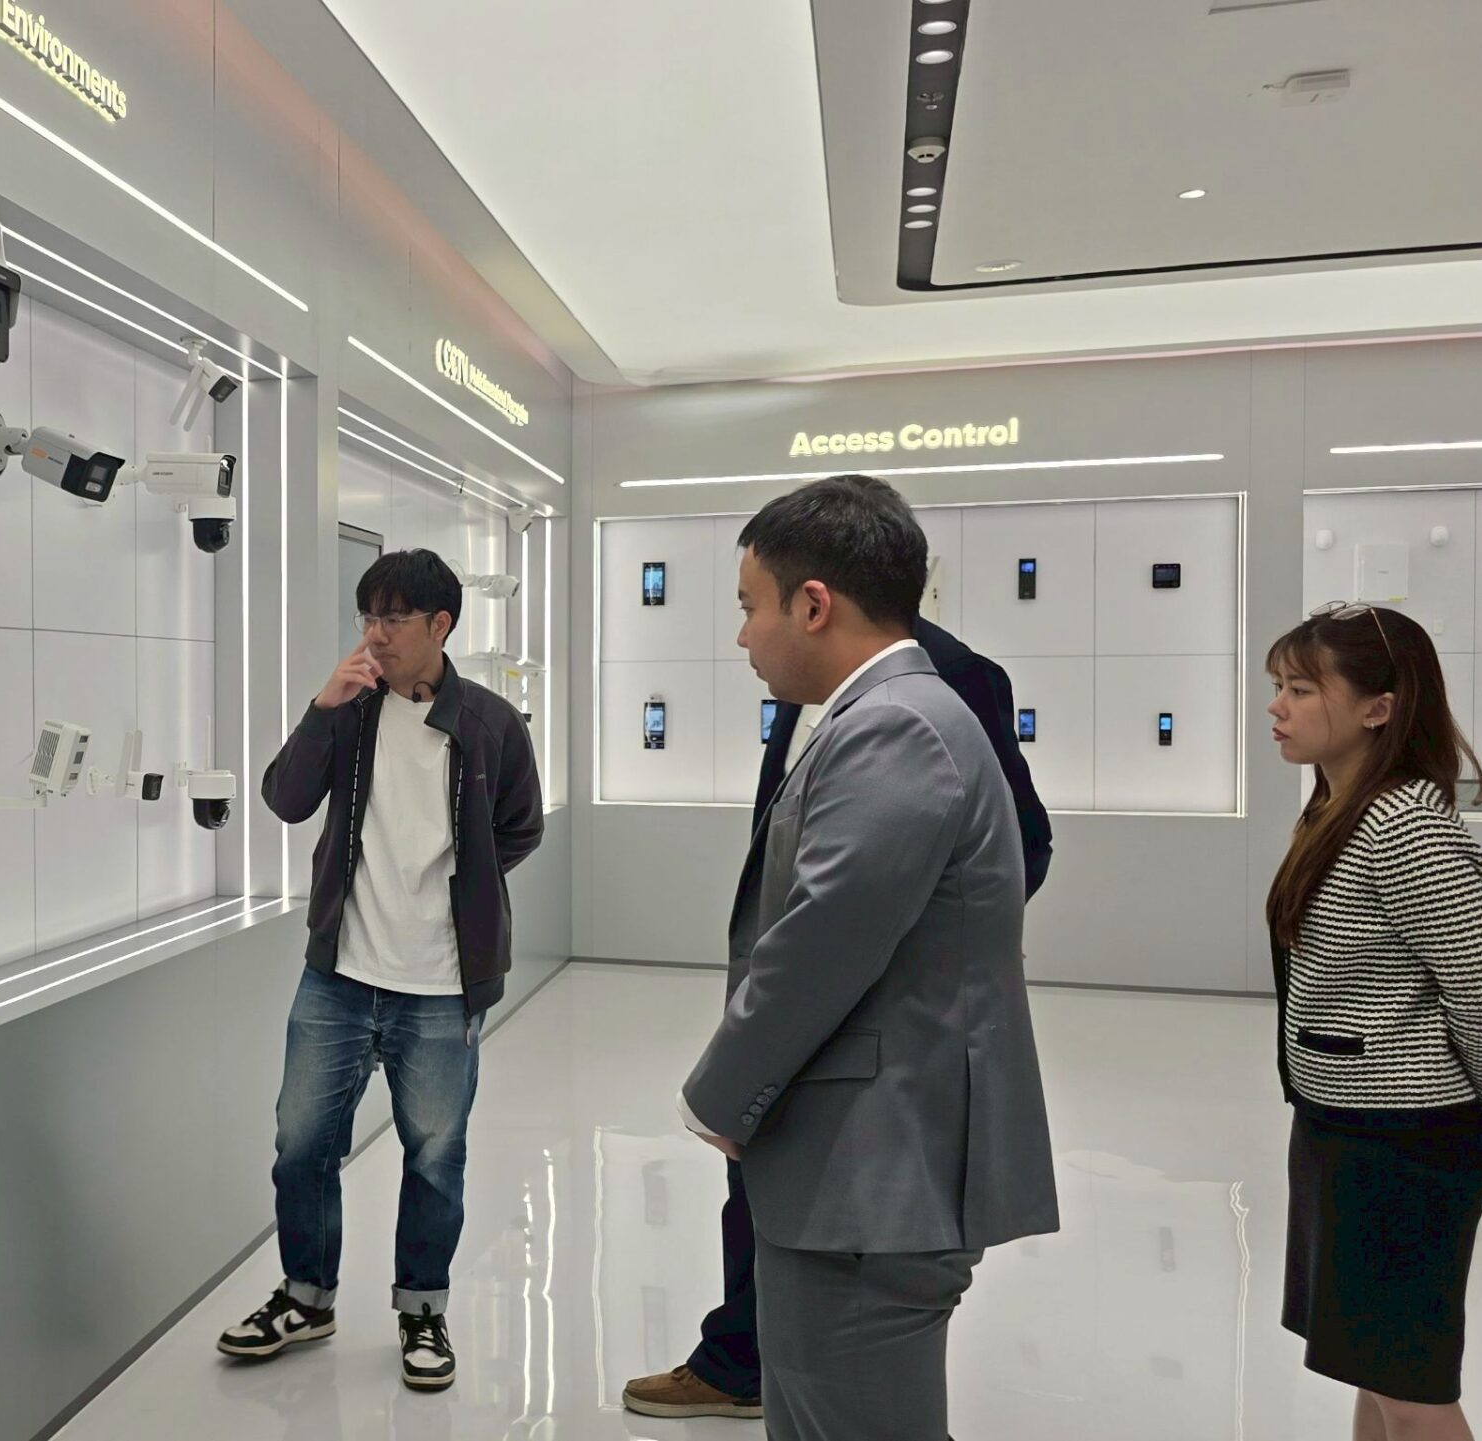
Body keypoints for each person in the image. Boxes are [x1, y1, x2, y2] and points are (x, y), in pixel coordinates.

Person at [625, 493, 1055, 1422]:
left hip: (874, 1171)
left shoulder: (898, 724)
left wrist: (718, 1098)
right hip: (862, 1164)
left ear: (814, 604)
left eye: (751, 606)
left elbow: (821, 941)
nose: (742, 635)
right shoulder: (887, 712)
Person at [220, 549, 542, 1391]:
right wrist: (322, 707)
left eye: (393, 618)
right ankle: (306, 1297)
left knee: (435, 1155)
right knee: (300, 1144)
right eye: (367, 616)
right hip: (339, 974)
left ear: (441, 625)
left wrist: (465, 889)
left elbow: (521, 827)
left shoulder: (491, 723)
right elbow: (286, 798)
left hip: (441, 984)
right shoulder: (351, 712)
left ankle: (422, 1309)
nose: (375, 634)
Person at [1266, 602, 1482, 1441]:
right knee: (1373, 1364)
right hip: (1347, 1125)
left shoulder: (1404, 826)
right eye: (1279, 686)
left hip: (1407, 1141)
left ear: (1379, 707)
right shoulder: (1339, 808)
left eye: (1300, 688)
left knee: (1411, 1386)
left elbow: (1478, 991)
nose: (1278, 706)